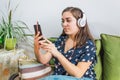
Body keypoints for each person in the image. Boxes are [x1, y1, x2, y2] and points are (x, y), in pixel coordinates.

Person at [34, 6, 97, 80]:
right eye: (63, 21)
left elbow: (78, 74)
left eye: (68, 20)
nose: (64, 24)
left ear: (81, 23)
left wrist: (57, 53)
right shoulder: (61, 40)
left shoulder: (88, 45)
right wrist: (36, 47)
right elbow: (43, 60)